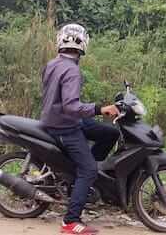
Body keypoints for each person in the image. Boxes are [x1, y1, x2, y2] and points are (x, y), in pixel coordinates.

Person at [40, 23, 120, 234]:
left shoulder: (52, 64)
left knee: (110, 133)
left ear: (61, 42)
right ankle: (70, 221)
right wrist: (99, 108)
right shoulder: (73, 71)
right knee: (89, 170)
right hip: (64, 126)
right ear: (83, 44)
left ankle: (82, 178)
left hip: (61, 119)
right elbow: (71, 106)